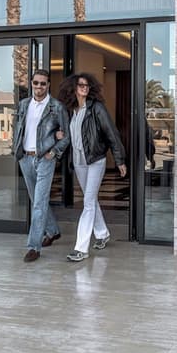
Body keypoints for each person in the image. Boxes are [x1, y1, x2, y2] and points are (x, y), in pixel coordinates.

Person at [58, 72, 127, 262]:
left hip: (95, 160)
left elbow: (111, 133)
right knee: (91, 200)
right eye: (81, 85)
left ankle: (81, 248)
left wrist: (119, 160)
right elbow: (67, 134)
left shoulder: (96, 108)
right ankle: (102, 233)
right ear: (73, 88)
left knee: (88, 202)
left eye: (87, 85)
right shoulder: (70, 110)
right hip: (79, 161)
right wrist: (59, 134)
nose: (84, 88)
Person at [12, 69, 70, 262]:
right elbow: (18, 129)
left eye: (43, 83)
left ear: (48, 85)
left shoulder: (56, 107)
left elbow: (66, 136)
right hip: (25, 158)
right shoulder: (23, 104)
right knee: (36, 200)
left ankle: (33, 247)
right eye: (36, 82)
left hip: (45, 159)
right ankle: (52, 231)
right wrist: (16, 149)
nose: (39, 86)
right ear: (31, 83)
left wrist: (53, 152)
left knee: (38, 203)